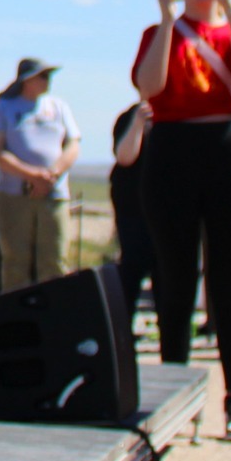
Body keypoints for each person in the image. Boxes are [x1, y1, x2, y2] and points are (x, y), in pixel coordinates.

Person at [131, 0, 231, 441]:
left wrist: (230, 5)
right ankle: (175, 401)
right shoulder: (158, 33)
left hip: (226, 151)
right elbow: (150, 87)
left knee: (229, 287)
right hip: (171, 152)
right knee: (175, 280)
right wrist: (167, 19)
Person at [0, 59, 80, 291]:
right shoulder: (3, 108)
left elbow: (73, 144)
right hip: (15, 194)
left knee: (55, 259)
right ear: (26, 80)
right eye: (42, 76)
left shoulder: (59, 107)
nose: (47, 81)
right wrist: (32, 176)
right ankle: (16, 309)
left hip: (54, 193)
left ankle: (55, 308)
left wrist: (51, 175)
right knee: (15, 260)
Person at [108, 102, 154, 319]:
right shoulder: (128, 117)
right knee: (132, 267)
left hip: (168, 210)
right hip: (132, 208)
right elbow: (125, 158)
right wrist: (138, 123)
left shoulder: (178, 117)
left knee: (166, 274)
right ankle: (123, 329)